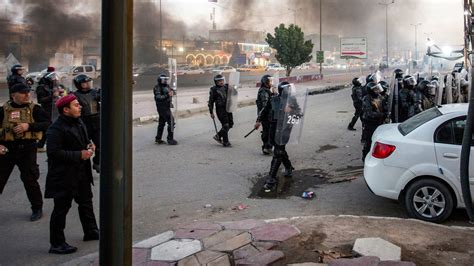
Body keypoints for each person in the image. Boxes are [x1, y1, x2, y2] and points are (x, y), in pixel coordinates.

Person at [45, 94, 99, 254]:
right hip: (64, 176)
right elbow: (53, 153)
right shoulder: (56, 129)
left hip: (81, 172)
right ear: (66, 110)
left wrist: (90, 146)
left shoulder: (79, 121)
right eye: (76, 105)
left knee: (86, 203)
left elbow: (84, 140)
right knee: (61, 209)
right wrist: (79, 155)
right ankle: (57, 243)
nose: (80, 106)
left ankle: (91, 231)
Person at [0, 83, 50, 221]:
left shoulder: (35, 109)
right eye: (23, 93)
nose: (27, 95)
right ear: (13, 95)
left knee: (30, 180)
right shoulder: (3, 110)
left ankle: (37, 208)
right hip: (7, 150)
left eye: (28, 92)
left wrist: (29, 126)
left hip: (27, 149)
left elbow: (48, 124)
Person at [255, 82, 298, 191]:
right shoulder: (273, 99)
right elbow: (264, 110)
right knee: (280, 150)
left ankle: (271, 178)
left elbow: (298, 115)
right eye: (287, 89)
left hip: (284, 129)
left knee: (278, 152)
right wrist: (258, 121)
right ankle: (288, 167)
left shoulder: (292, 101)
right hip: (273, 129)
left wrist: (291, 111)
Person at [73, 74, 102, 172]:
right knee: (83, 146)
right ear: (79, 84)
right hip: (83, 123)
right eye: (84, 83)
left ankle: (97, 162)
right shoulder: (75, 95)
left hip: (96, 122)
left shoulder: (94, 92)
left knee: (100, 145)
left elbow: (102, 98)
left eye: (87, 82)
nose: (87, 84)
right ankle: (84, 168)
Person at [35, 68, 59, 151]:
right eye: (52, 77)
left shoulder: (52, 85)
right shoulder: (41, 87)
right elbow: (41, 100)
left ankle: (42, 143)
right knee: (47, 126)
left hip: (54, 108)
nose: (54, 78)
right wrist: (52, 95)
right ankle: (41, 143)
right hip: (46, 109)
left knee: (51, 126)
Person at [361, 82, 386, 161]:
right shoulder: (367, 98)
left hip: (378, 122)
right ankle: (365, 158)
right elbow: (369, 113)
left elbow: (383, 105)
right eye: (375, 89)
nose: (377, 91)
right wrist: (381, 114)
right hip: (370, 123)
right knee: (369, 141)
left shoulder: (379, 97)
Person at [208, 74, 233, 147]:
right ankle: (225, 141)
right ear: (216, 82)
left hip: (228, 107)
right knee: (225, 124)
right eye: (219, 81)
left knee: (230, 124)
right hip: (220, 109)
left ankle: (218, 136)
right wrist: (211, 112)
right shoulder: (214, 89)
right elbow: (210, 101)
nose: (221, 82)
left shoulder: (226, 87)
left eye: (222, 80)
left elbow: (234, 91)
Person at [153, 74, 178, 145]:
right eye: (164, 80)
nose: (165, 81)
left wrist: (173, 92)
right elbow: (158, 98)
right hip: (162, 107)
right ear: (160, 80)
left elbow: (173, 92)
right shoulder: (157, 87)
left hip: (166, 106)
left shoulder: (167, 86)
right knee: (171, 122)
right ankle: (170, 139)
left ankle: (158, 138)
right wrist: (168, 95)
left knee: (161, 123)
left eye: (166, 79)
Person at [256, 74, 274, 154]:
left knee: (269, 130)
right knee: (267, 131)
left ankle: (267, 147)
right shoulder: (264, 91)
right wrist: (258, 120)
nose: (271, 83)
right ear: (266, 82)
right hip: (265, 115)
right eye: (270, 81)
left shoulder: (267, 90)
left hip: (268, 114)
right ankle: (267, 147)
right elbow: (265, 105)